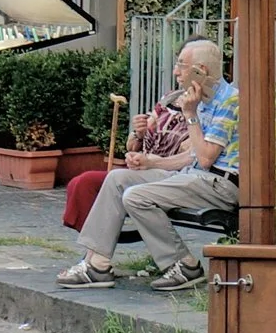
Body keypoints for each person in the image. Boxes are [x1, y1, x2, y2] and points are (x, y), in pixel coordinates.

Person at [57, 39, 238, 293]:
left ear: (201, 71)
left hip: (220, 183)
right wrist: (150, 159)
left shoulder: (229, 102)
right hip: (196, 176)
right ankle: (96, 264)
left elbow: (206, 158)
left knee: (136, 197)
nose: (176, 72)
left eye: (181, 66)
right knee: (118, 179)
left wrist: (190, 114)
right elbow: (192, 158)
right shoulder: (202, 101)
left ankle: (184, 264)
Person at [61, 93, 192, 234]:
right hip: (140, 167)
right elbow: (131, 146)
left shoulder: (201, 109)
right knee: (77, 183)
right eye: (177, 68)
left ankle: (96, 241)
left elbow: (191, 156)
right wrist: (139, 133)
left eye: (181, 69)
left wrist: (152, 162)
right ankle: (94, 240)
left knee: (86, 182)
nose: (176, 72)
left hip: (165, 173)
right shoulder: (169, 98)